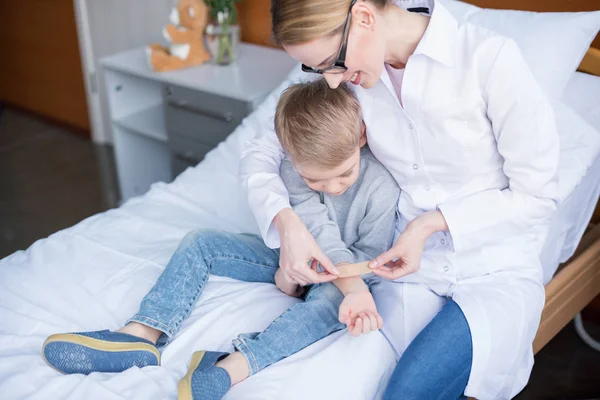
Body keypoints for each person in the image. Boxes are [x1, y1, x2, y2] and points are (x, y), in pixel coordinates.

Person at [239, 0, 559, 398]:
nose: (333, 82)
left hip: (492, 270)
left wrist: (430, 223)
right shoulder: (346, 72)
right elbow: (260, 150)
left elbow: (538, 196)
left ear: (364, 17)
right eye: (317, 70)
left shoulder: (488, 59)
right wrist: (286, 223)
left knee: (407, 390)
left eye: (331, 64)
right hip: (404, 275)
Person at [42, 79, 401, 400]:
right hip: (298, 257)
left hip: (347, 274)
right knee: (201, 243)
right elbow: (313, 227)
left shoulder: (381, 186)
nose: (333, 187)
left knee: (328, 306)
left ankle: (228, 367)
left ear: (362, 136)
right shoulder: (293, 168)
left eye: (343, 174)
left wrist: (350, 289)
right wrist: (288, 276)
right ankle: (141, 333)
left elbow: (370, 257)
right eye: (316, 181)